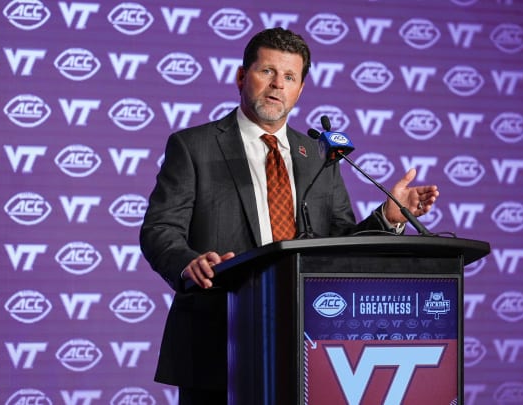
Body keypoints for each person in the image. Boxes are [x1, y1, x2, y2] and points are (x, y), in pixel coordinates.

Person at [139, 27, 439, 405]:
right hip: (217, 337)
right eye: (267, 71)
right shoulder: (193, 146)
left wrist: (387, 216)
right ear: (241, 77)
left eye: (290, 77)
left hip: (307, 339)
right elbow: (160, 229)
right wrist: (188, 264)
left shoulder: (317, 155)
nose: (277, 85)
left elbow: (341, 241)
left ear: (300, 89)